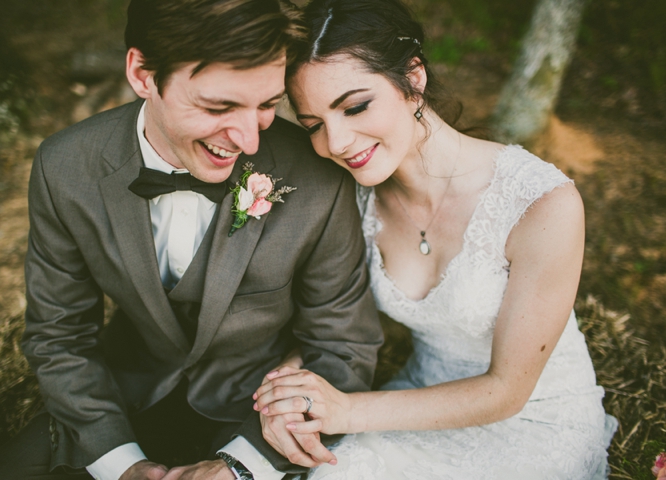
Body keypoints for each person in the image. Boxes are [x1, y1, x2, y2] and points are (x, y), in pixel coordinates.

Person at [0, 1, 384, 479]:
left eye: (267, 105)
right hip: (120, 402)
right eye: (219, 106)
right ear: (143, 73)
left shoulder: (317, 176)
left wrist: (241, 468)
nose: (249, 141)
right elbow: (59, 335)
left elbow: (343, 345)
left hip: (258, 419)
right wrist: (119, 463)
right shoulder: (65, 167)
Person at [253, 0, 618, 478]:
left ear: (413, 78)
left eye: (356, 106)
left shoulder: (541, 203)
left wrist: (347, 411)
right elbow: (338, 312)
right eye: (315, 126)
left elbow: (506, 391)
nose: (337, 142)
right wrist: (290, 380)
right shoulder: (352, 195)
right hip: (413, 404)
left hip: (532, 422)